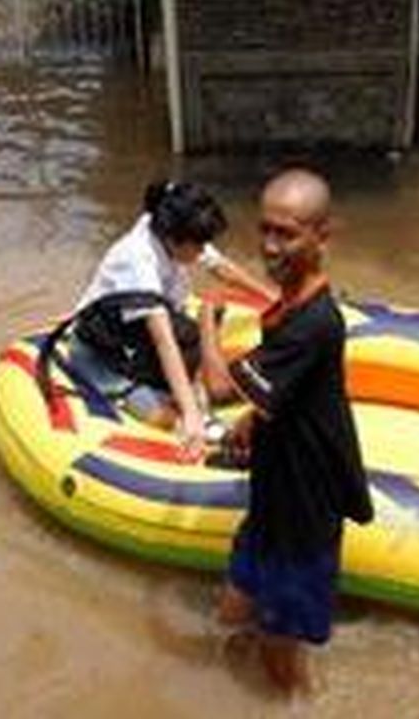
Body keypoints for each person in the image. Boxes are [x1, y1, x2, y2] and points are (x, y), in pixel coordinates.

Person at [198, 168, 373, 694]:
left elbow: (220, 385)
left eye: (287, 234)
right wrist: (256, 418)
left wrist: (208, 320)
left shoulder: (313, 322)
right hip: (272, 495)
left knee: (281, 654)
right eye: (265, 230)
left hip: (302, 509)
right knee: (231, 613)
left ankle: (298, 704)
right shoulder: (289, 304)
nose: (270, 246)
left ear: (323, 235)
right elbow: (297, 390)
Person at [70, 179, 275, 459]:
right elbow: (163, 340)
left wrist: (271, 298)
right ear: (172, 239)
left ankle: (191, 391)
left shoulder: (169, 225)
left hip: (142, 340)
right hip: (106, 356)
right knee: (163, 418)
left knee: (189, 340)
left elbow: (220, 267)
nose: (204, 252)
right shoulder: (137, 262)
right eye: (199, 246)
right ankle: (182, 409)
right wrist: (191, 414)